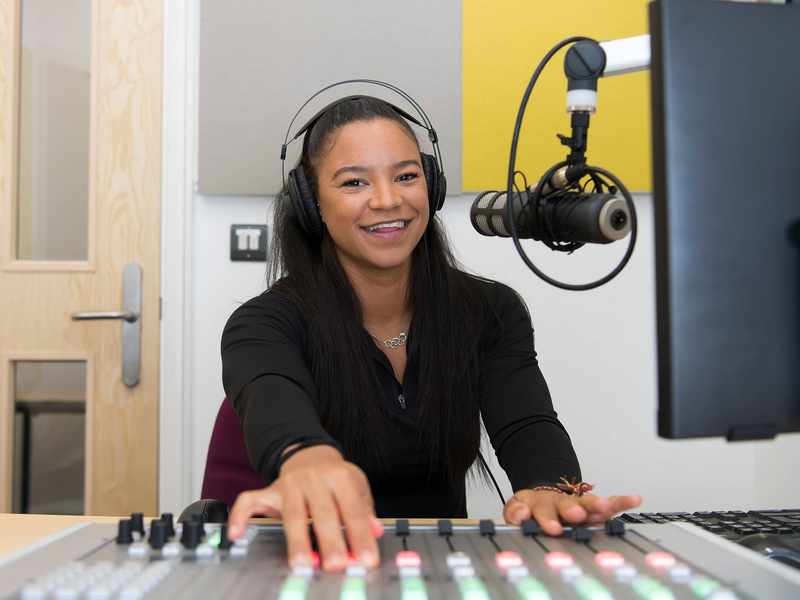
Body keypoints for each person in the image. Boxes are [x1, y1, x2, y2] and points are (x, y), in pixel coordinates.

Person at [221, 93, 641, 572]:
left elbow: (528, 426)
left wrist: (548, 491)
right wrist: (305, 458)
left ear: (432, 186)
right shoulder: (263, 324)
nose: (387, 200)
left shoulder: (490, 311)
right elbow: (274, 400)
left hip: (439, 569)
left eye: (406, 176)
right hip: (317, 567)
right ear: (311, 201)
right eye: (354, 181)